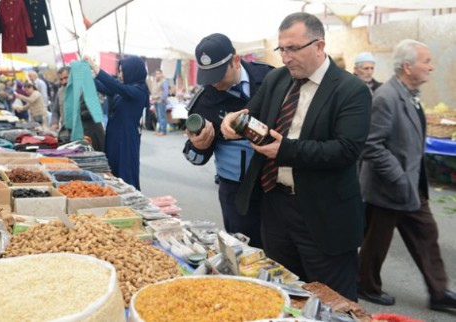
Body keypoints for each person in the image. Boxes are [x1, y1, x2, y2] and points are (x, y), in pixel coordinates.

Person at [220, 12, 371, 301]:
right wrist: (231, 119)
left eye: (293, 48)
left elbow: (346, 150)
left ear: (318, 46)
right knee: (285, 293)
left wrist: (284, 150)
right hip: (276, 207)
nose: (286, 57)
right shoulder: (278, 79)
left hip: (324, 213)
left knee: (332, 302)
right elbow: (250, 114)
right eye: (282, 49)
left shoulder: (351, 90)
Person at [357, 39, 456, 311]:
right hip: (388, 186)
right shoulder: (386, 97)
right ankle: (366, 285)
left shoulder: (409, 93)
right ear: (408, 67)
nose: (432, 67)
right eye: (426, 61)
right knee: (377, 241)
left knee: (426, 233)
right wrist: (399, 177)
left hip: (411, 185)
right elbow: (371, 146)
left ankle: (438, 292)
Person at [183, 33, 273, 248]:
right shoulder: (204, 101)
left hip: (276, 187)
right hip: (237, 192)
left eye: (218, 74)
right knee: (245, 253)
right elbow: (194, 156)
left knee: (282, 255)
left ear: (235, 60)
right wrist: (198, 146)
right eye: (208, 76)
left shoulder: (270, 77)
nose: (214, 83)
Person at [84, 55, 149, 190]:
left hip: (126, 138)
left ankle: (131, 204)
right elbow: (104, 86)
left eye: (122, 71)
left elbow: (114, 85)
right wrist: (88, 74)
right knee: (112, 171)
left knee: (126, 173)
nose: (119, 74)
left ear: (132, 71)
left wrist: (95, 67)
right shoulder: (125, 88)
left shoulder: (139, 91)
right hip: (114, 136)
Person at [150, 69, 169, 136]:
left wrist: (161, 99)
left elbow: (165, 92)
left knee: (162, 116)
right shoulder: (154, 81)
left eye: (159, 73)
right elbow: (153, 90)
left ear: (161, 74)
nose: (157, 75)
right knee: (158, 116)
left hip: (161, 101)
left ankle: (163, 131)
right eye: (156, 73)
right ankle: (159, 130)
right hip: (155, 101)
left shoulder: (164, 81)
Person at [51, 66, 69, 130]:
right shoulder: (60, 92)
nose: (64, 82)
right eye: (61, 79)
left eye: (66, 78)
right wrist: (55, 123)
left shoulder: (80, 90)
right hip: (66, 129)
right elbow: (55, 111)